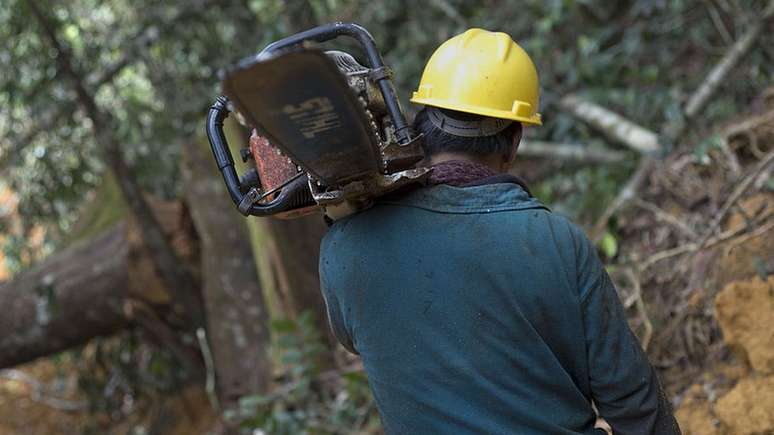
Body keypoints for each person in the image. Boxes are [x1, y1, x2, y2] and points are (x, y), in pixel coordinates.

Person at [318, 28, 680, 434]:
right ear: (513, 141)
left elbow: (358, 338)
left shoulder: (343, 249)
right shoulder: (555, 242)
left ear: (420, 123)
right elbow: (634, 403)